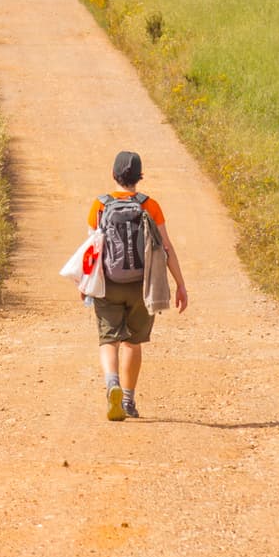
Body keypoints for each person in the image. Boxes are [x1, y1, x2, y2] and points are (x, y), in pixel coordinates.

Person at [86, 150, 188, 420]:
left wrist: (85, 284)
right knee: (133, 342)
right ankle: (128, 402)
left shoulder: (100, 205)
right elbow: (166, 247)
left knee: (109, 340)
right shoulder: (150, 206)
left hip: (109, 284)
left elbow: (92, 249)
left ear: (114, 174)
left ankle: (112, 384)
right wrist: (180, 284)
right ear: (139, 176)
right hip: (142, 287)